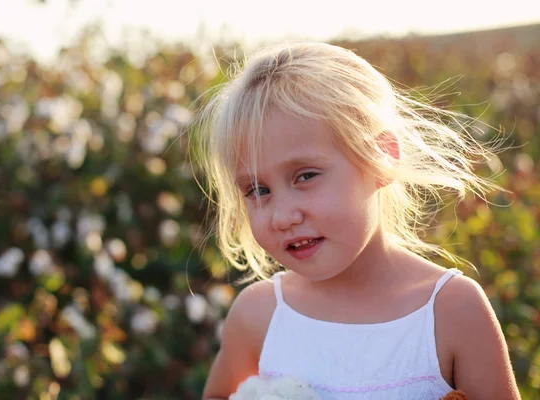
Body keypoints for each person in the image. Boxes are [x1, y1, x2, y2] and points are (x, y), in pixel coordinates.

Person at [191, 42, 519, 399]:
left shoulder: (451, 311)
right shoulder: (258, 315)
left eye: (305, 176)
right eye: (257, 189)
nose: (283, 216)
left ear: (381, 159)